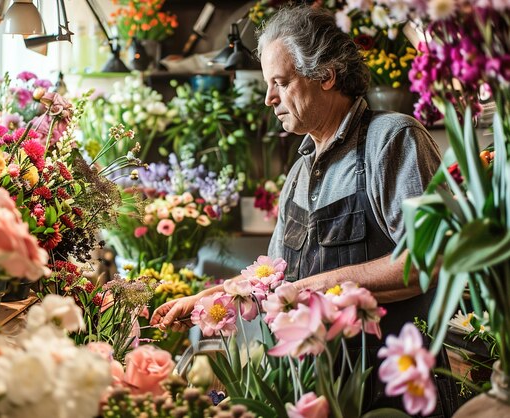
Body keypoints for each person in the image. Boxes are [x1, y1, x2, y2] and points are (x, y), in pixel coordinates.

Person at [151, 5, 458, 416]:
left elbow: (427, 260)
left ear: (326, 75)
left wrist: (314, 286)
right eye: (267, 84)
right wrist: (211, 297)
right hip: (316, 393)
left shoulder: (392, 139)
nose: (269, 98)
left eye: (280, 81)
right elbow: (274, 280)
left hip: (392, 391)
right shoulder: (298, 171)